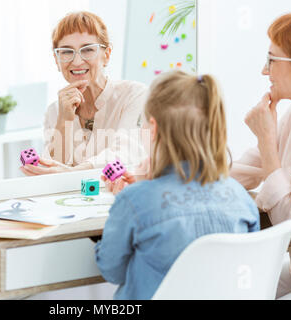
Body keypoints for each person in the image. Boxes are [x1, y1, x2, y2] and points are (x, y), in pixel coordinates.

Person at [95, 71, 260, 300]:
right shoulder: (239, 197)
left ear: (153, 128)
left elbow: (112, 270)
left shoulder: (134, 201)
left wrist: (124, 208)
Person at [230, 11, 291, 299]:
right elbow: (242, 169)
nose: (264, 71)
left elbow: (288, 219)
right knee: (228, 288)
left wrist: (267, 139)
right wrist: (168, 173)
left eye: (272, 61)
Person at [20, 11, 148, 176]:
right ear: (56, 60)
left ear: (106, 55)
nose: (77, 61)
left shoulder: (135, 95)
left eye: (87, 50)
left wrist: (74, 172)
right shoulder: (55, 111)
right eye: (66, 52)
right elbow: (51, 173)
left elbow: (127, 151)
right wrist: (64, 120)